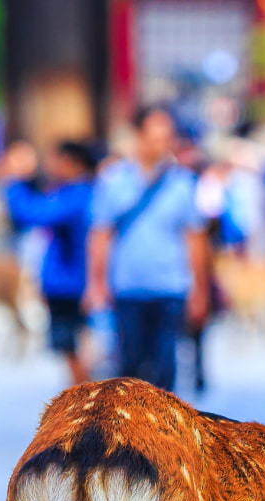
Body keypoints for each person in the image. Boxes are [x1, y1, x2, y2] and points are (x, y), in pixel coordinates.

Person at [87, 105, 211, 394]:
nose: (161, 144)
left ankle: (162, 435)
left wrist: (200, 290)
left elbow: (195, 240)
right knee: (128, 370)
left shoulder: (182, 183)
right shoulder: (114, 181)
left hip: (170, 287)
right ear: (138, 136)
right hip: (127, 287)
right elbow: (100, 235)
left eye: (166, 137)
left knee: (166, 369)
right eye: (155, 136)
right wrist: (96, 283)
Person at [3, 140, 99, 386]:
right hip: (73, 282)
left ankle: (86, 401)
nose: (50, 166)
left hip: (71, 285)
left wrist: (15, 180)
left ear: (71, 163)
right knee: (73, 346)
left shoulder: (76, 195)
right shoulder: (83, 192)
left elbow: (33, 213)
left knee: (72, 345)